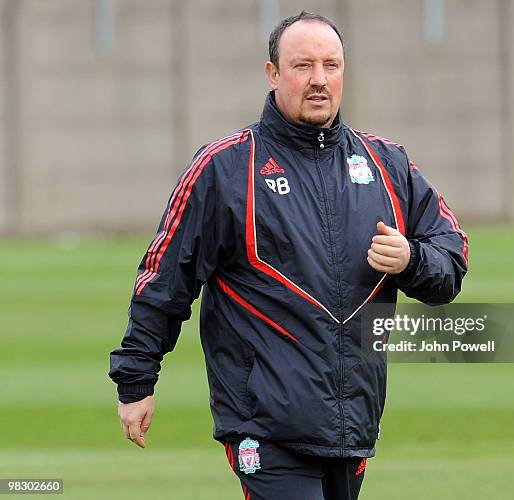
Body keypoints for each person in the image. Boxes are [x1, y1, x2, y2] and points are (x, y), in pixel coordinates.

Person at [109, 11, 468, 500]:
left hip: (352, 425)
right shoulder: (225, 168)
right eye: (302, 66)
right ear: (273, 74)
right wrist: (136, 379)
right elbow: (165, 277)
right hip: (265, 427)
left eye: (331, 65)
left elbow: (451, 260)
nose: (319, 80)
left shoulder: (388, 165)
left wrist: (412, 260)